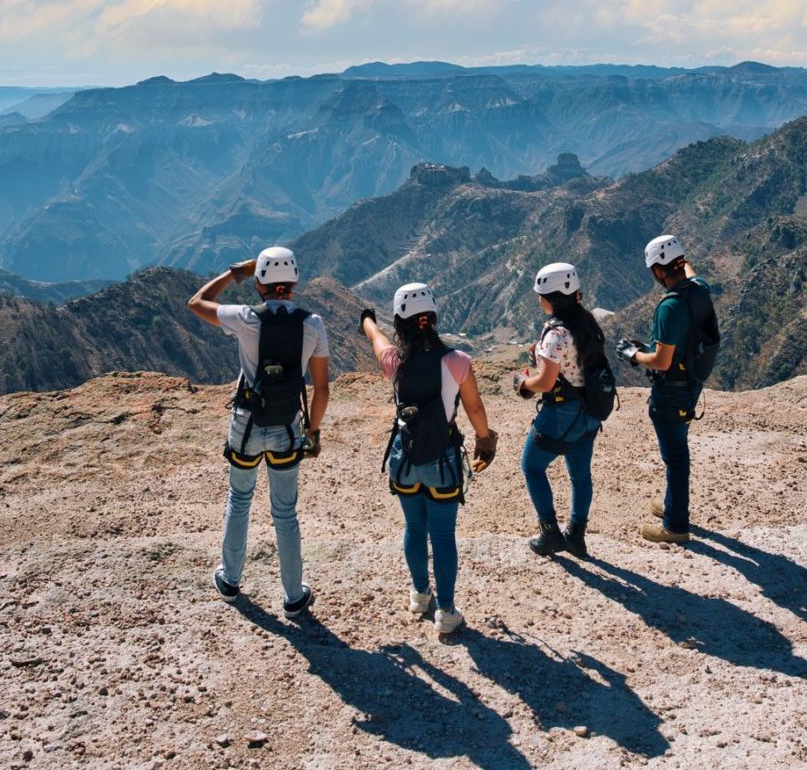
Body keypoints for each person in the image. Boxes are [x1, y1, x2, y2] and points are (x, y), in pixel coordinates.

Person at [188, 245, 329, 617]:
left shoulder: (245, 318)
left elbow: (197, 302)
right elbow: (321, 389)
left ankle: (230, 580)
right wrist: (312, 432)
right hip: (287, 426)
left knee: (239, 500)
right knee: (285, 513)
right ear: (294, 282)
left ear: (259, 283)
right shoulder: (313, 324)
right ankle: (294, 595)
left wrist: (236, 273)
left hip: (246, 423)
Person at [359, 283, 497, 635]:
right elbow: (474, 407)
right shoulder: (458, 361)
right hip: (443, 458)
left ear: (399, 322)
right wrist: (485, 441)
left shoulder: (394, 362)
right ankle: (447, 612)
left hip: (404, 458)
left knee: (414, 527)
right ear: (433, 318)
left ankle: (420, 594)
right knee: (443, 534)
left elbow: (377, 339)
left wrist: (368, 321)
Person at [616, 234, 714, 544]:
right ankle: (674, 505)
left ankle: (675, 525)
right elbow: (691, 270)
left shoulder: (670, 306)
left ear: (658, 271)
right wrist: (679, 253)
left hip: (671, 391)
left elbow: (661, 360)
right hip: (692, 382)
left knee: (675, 457)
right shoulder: (700, 289)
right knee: (677, 451)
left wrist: (633, 354)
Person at [513, 262, 604, 558]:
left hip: (562, 413)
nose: (538, 300)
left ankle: (550, 533)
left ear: (550, 298)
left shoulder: (556, 333)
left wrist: (523, 383)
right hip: (589, 411)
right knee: (580, 476)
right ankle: (576, 536)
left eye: (540, 295)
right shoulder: (587, 321)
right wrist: (542, 357)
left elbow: (545, 382)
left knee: (532, 466)